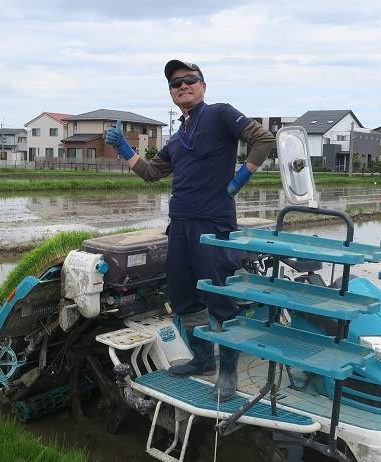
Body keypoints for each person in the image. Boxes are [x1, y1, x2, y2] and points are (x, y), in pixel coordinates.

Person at [105, 59, 274, 401]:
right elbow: (153, 172)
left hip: (213, 224)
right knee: (183, 297)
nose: (182, 85)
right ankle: (202, 360)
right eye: (175, 83)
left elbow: (264, 139)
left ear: (203, 86)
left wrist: (243, 175)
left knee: (219, 298)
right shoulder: (179, 136)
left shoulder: (221, 114)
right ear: (171, 93)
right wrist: (125, 149)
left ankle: (227, 370)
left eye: (189, 80)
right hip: (179, 226)